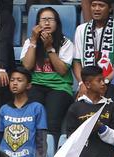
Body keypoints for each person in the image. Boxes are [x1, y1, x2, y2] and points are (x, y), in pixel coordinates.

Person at [20, 7, 76, 141]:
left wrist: (50, 48)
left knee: (52, 123)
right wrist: (34, 41)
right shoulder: (29, 42)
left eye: (51, 19)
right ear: (37, 24)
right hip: (36, 85)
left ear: (57, 23)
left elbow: (62, 70)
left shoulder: (66, 43)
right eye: (43, 20)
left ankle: (51, 156)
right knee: (32, 120)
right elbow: (27, 65)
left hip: (60, 87)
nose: (47, 23)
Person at [0, 67, 47, 157]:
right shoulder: (4, 109)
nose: (14, 83)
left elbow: (41, 141)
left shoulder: (37, 108)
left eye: (19, 80)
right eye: (12, 80)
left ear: (28, 85)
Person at [75, 0, 114, 81]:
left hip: (111, 82)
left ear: (110, 9)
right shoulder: (81, 29)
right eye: (93, 5)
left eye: (101, 5)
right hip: (87, 84)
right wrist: (81, 83)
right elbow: (76, 62)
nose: (96, 9)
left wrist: (105, 81)